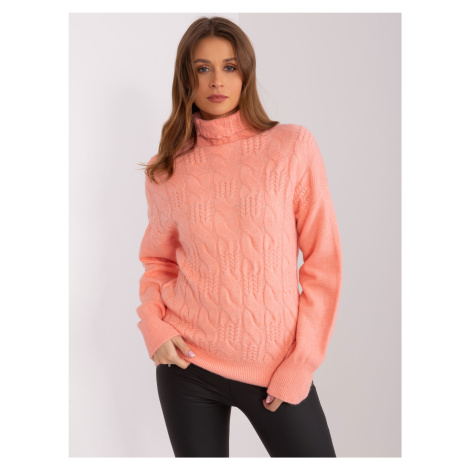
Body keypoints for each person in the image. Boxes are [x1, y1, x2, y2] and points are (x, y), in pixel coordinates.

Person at [136, 16, 343, 458]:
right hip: (187, 365)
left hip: (276, 369)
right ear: (186, 78)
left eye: (229, 67)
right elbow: (159, 262)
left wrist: (301, 363)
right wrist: (153, 325)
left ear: (246, 73)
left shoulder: (292, 146)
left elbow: (322, 262)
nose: (217, 80)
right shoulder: (167, 168)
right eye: (202, 68)